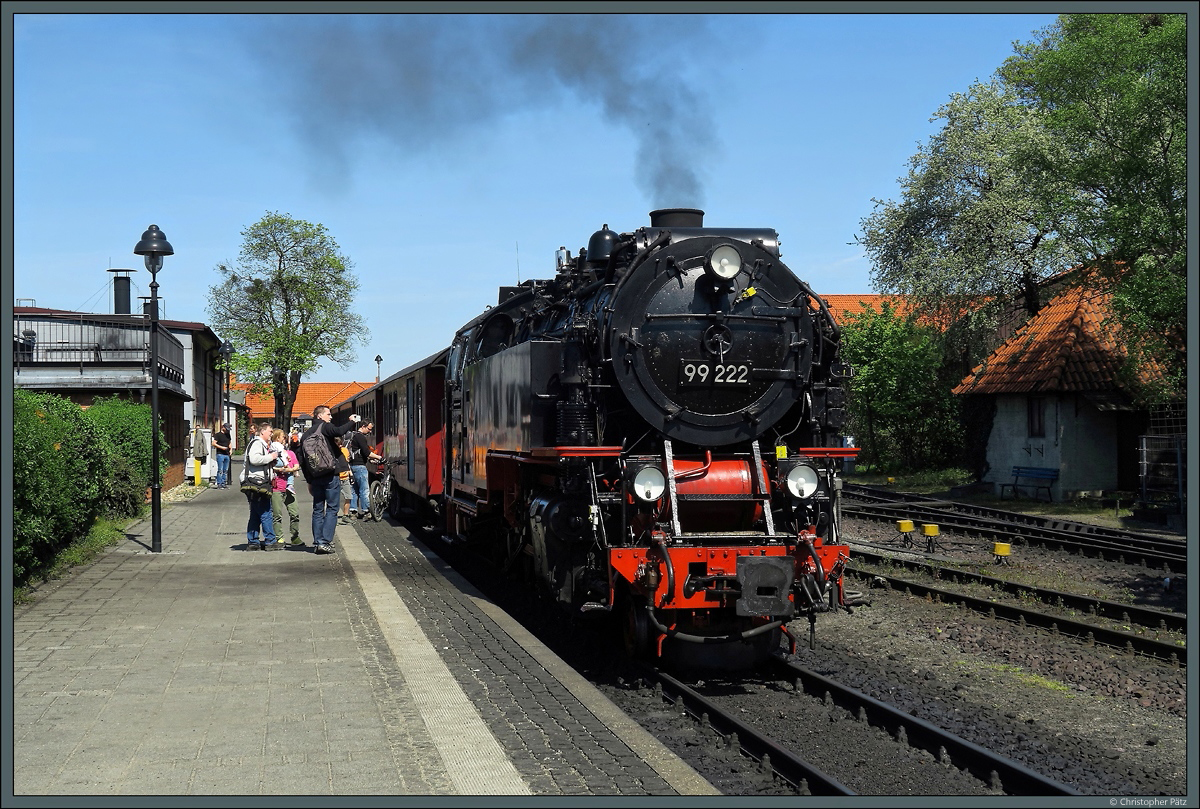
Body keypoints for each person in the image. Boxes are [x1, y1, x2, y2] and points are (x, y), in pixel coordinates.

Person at [299, 406, 360, 554]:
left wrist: (309, 480)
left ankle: (317, 541)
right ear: (319, 416)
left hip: (315, 476)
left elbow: (302, 459)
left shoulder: (306, 434)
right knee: (332, 508)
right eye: (328, 414)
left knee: (318, 509)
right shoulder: (324, 427)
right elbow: (339, 431)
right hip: (330, 474)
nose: (330, 417)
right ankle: (324, 541)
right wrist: (351, 422)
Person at [241, 422, 281, 550]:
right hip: (257, 483)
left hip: (255, 482)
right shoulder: (257, 443)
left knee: (255, 513)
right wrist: (271, 457)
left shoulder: (259, 443)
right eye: (270, 431)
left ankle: (253, 541)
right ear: (262, 432)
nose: (271, 434)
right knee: (265, 512)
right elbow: (254, 459)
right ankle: (270, 540)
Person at [270, 428, 302, 546]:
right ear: (278, 438)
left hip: (289, 488)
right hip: (276, 487)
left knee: (295, 513)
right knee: (277, 514)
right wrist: (279, 469)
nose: (285, 439)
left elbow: (297, 466)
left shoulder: (290, 453)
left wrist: (288, 469)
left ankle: (295, 536)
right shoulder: (271, 452)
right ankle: (279, 537)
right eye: (284, 437)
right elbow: (268, 465)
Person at [348, 420, 383, 521]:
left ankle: (353, 511)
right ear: (363, 426)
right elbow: (366, 452)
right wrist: (379, 457)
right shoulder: (360, 437)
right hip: (360, 467)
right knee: (364, 489)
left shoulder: (352, 435)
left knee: (354, 490)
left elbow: (359, 452)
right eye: (369, 429)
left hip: (351, 466)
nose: (370, 431)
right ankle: (366, 511)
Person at [336, 437, 353, 525]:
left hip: (345, 477)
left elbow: (347, 463)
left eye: (341, 444)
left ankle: (345, 515)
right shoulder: (331, 451)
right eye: (338, 445)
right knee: (334, 499)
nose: (340, 446)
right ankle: (333, 517)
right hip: (336, 478)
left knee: (348, 496)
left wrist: (351, 474)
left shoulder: (345, 451)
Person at [212, 422, 233, 488]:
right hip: (220, 454)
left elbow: (229, 443)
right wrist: (222, 447)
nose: (227, 430)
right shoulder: (218, 435)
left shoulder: (228, 435)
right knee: (220, 470)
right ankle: (219, 483)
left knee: (225, 470)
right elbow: (214, 443)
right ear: (223, 427)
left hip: (227, 454)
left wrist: (231, 449)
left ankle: (224, 483)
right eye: (226, 429)